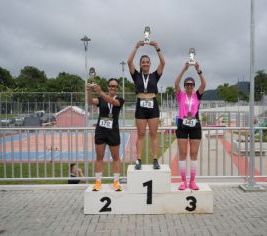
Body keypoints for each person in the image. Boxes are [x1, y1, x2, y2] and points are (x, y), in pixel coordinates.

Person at [127, 40, 165, 170]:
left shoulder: (155, 75)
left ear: (150, 64)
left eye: (147, 62)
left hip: (153, 105)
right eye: (143, 62)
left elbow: (163, 63)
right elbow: (129, 62)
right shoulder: (136, 75)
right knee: (141, 134)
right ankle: (138, 160)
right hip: (141, 106)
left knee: (154, 134)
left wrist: (157, 48)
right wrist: (136, 47)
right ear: (140, 64)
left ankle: (155, 160)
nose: (145, 64)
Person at [86, 78, 125, 191]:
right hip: (101, 131)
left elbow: (112, 102)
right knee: (99, 157)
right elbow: (90, 102)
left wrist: (100, 92)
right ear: (108, 87)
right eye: (111, 85)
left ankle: (116, 183)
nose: (113, 87)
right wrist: (89, 91)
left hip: (113, 132)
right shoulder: (101, 98)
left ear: (117, 88)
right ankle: (98, 182)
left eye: (115, 86)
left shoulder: (120, 99)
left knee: (116, 158)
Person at [174, 62, 206, 190]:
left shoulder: (197, 95)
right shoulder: (180, 95)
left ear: (193, 86)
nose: (189, 86)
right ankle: (183, 182)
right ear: (184, 86)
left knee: (193, 154)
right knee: (182, 154)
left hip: (195, 125)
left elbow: (204, 84)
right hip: (182, 125)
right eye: (187, 84)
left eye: (191, 84)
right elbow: (176, 83)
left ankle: (192, 181)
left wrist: (198, 70)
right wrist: (184, 69)